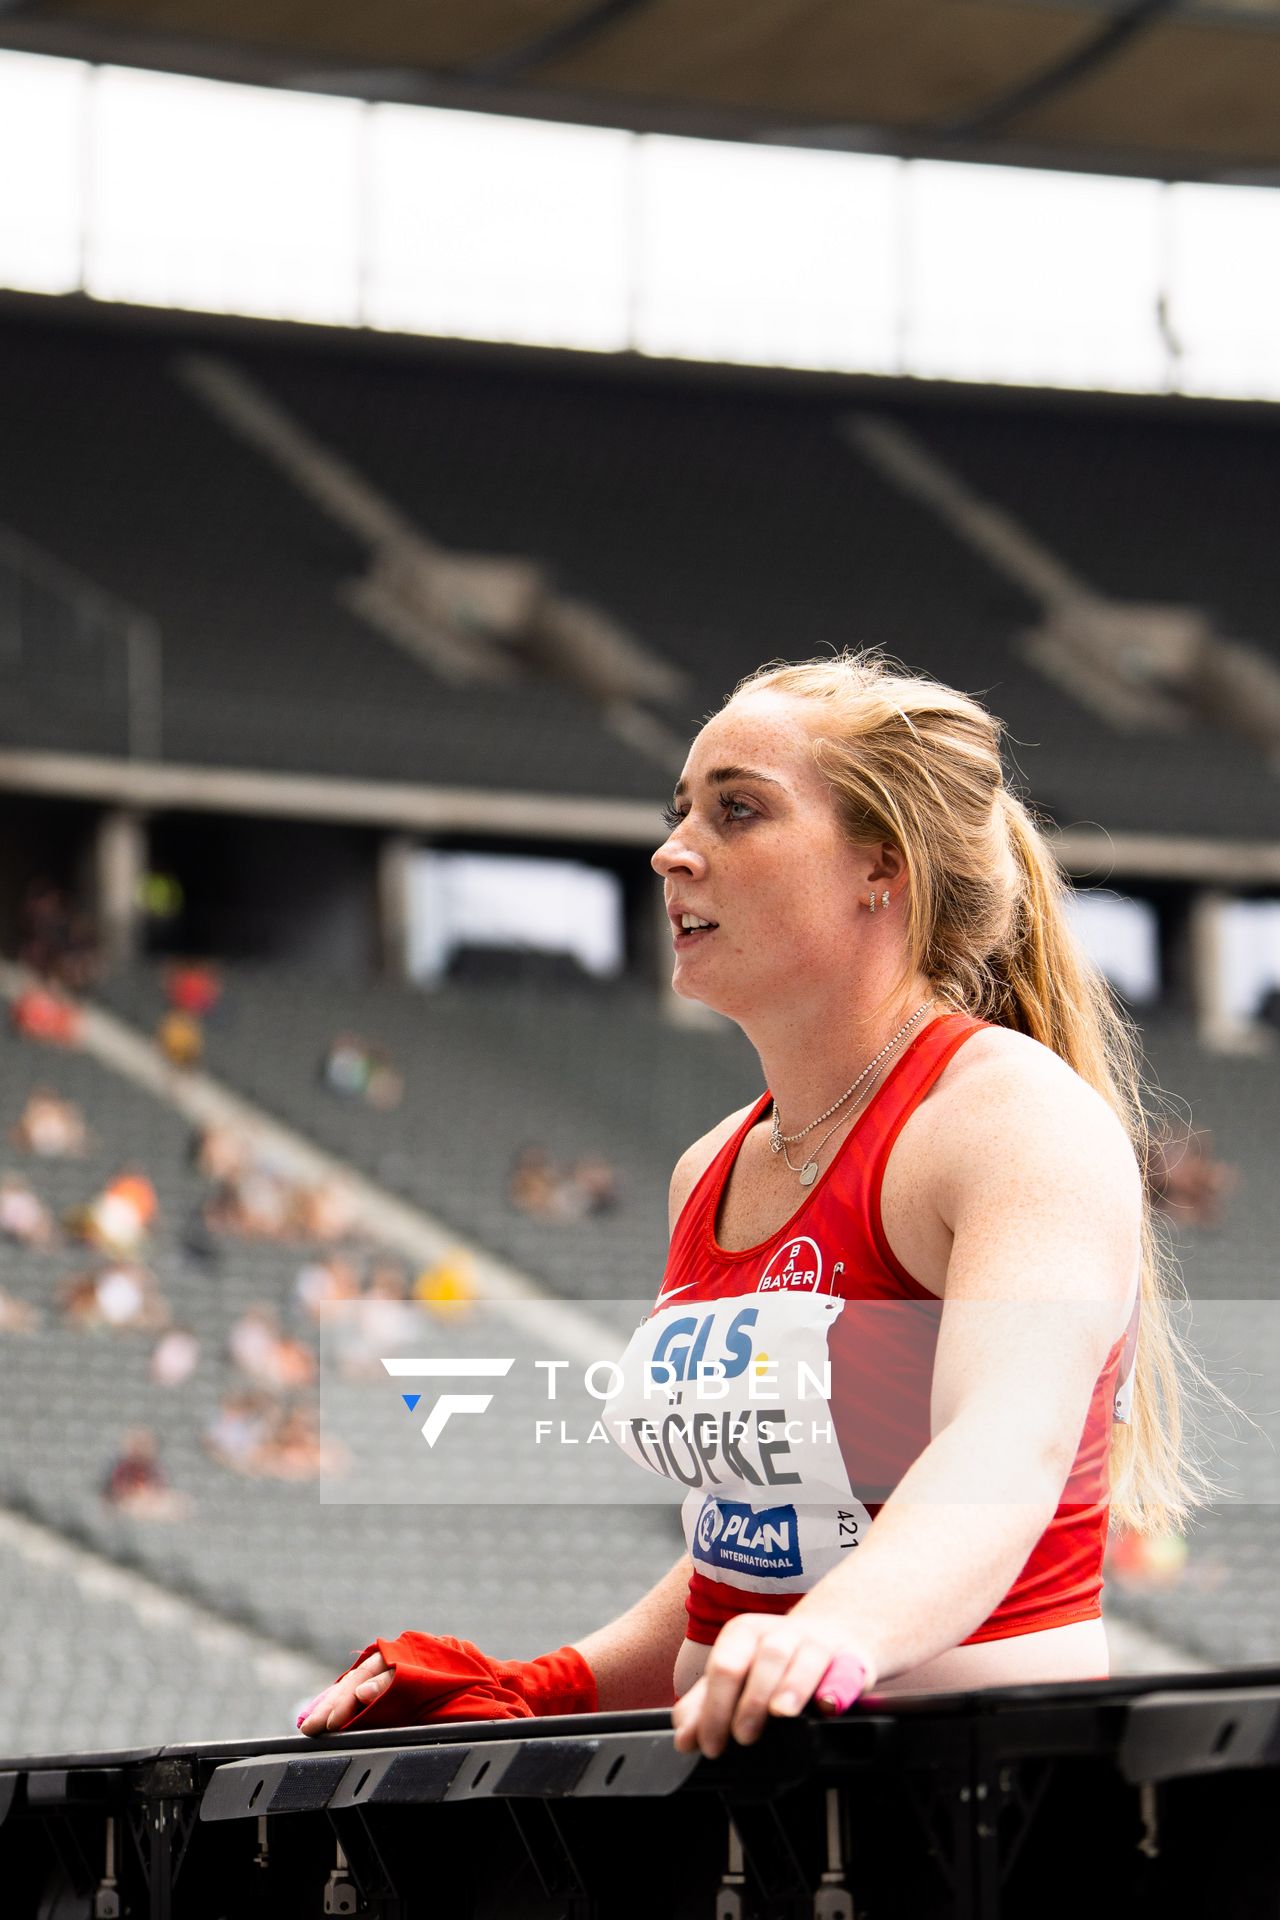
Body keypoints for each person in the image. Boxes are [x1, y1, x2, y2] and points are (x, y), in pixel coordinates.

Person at [298, 650, 1202, 1752]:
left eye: (737, 811)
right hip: (751, 1821)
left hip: (978, 1816)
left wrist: (834, 1634)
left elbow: (998, 1450)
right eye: (681, 811)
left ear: (883, 864)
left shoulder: (1010, 1120)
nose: (672, 851)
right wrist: (542, 1687)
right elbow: (757, 1541)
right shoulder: (710, 1168)